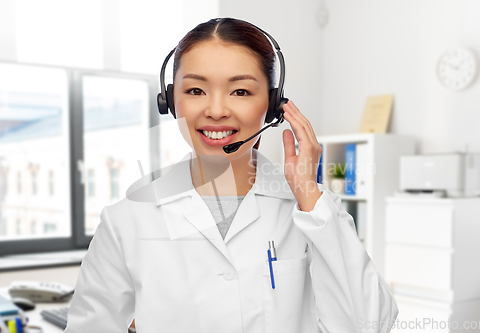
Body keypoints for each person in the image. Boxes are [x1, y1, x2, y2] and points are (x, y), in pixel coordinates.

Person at [64, 17, 399, 333]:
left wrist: (310, 197)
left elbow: (370, 324)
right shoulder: (127, 221)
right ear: (169, 101)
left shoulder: (313, 213)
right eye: (196, 91)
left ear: (271, 106)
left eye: (240, 91)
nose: (216, 110)